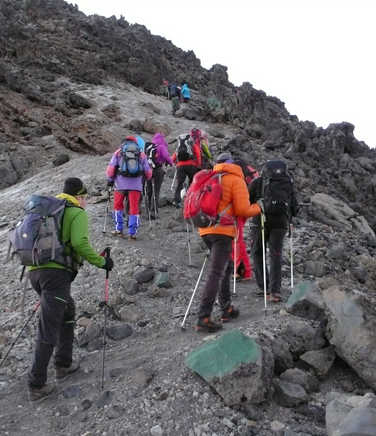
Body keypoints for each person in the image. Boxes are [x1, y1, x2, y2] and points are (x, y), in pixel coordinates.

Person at [27, 177, 114, 401]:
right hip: (56, 275)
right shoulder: (76, 213)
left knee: (67, 310)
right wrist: (102, 262)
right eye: (84, 198)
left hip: (34, 271)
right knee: (49, 325)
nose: (85, 202)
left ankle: (63, 363)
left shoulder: (49, 210)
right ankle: (37, 384)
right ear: (79, 196)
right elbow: (79, 243)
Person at [196, 152, 261, 333]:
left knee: (225, 267)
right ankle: (204, 317)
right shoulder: (235, 179)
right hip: (223, 231)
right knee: (216, 272)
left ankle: (226, 309)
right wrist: (259, 207)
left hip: (205, 229)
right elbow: (242, 209)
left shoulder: (210, 176)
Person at [249, 160, 298, 302]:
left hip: (261, 220)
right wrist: (290, 218)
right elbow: (294, 206)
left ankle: (264, 286)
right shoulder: (288, 182)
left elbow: (247, 200)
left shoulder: (258, 182)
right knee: (275, 254)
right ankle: (275, 291)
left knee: (258, 252)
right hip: (281, 223)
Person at [106, 136, 152, 239]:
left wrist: (110, 180)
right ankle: (132, 233)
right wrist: (147, 178)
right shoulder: (141, 154)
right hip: (136, 186)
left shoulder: (118, 152)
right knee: (134, 208)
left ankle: (119, 229)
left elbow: (111, 169)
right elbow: (148, 171)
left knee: (118, 206)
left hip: (120, 185)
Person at [232, 160, 259, 281]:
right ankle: (244, 271)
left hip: (240, 208)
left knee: (237, 238)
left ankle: (241, 270)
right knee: (237, 238)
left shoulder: (237, 173)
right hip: (248, 206)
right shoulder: (248, 169)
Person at [145, 132, 174, 218]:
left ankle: (148, 211)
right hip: (158, 170)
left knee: (149, 190)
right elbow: (167, 156)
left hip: (148, 171)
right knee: (156, 191)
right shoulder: (161, 147)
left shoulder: (149, 147)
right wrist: (171, 163)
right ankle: (154, 211)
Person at [171, 134, 201, 208]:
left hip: (180, 166)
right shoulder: (191, 144)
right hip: (191, 165)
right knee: (192, 182)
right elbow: (197, 153)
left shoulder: (179, 146)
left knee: (179, 183)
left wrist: (174, 163)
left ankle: (176, 201)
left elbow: (174, 156)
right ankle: (191, 199)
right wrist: (198, 164)